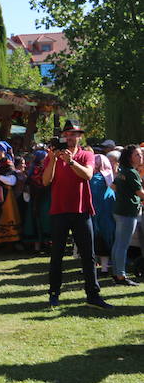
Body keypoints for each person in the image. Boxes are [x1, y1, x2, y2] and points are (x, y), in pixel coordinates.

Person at [42, 121, 111, 309]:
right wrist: (54, 159)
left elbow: (87, 175)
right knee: (56, 255)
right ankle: (54, 294)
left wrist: (71, 161)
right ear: (64, 136)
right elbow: (46, 181)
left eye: (74, 134)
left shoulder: (86, 154)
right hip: (59, 211)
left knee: (88, 255)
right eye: (68, 134)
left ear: (79, 136)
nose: (71, 137)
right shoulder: (53, 156)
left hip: (81, 211)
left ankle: (93, 295)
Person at [110, 145, 143, 286]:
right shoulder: (131, 172)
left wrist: (124, 195)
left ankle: (117, 273)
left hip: (120, 210)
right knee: (123, 245)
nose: (140, 157)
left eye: (141, 154)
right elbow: (140, 193)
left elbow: (113, 186)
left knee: (118, 244)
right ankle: (121, 276)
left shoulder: (123, 171)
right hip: (128, 212)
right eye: (137, 154)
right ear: (129, 157)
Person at [90, 154, 116, 275]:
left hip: (94, 215)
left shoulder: (93, 178)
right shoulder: (110, 177)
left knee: (92, 242)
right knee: (106, 241)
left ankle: (90, 267)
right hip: (108, 215)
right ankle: (105, 268)